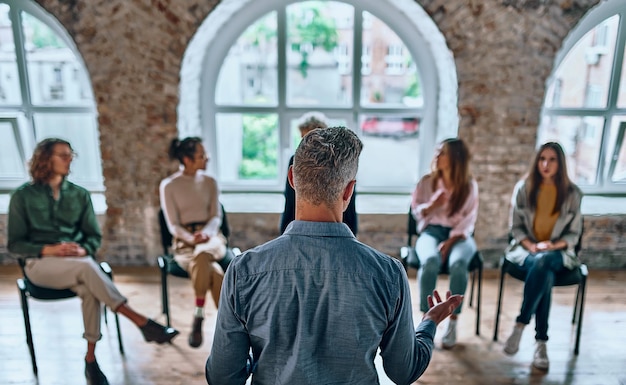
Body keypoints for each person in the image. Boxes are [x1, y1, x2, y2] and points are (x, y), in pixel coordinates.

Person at [206, 126, 463, 384]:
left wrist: (255, 361)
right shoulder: (389, 274)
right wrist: (429, 322)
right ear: (349, 191)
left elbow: (222, 377)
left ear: (293, 179)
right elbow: (404, 371)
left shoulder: (244, 271)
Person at [7, 138, 179, 385]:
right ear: (45, 159)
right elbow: (15, 245)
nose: (69, 159)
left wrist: (81, 249)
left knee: (90, 288)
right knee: (89, 269)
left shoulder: (79, 195)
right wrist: (51, 249)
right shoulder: (22, 197)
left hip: (79, 264)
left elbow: (93, 238)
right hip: (40, 264)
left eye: (70, 154)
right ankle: (139, 320)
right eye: (62, 155)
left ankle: (91, 360)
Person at [502, 142, 583, 371]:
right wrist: (531, 245)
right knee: (542, 272)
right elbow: (516, 228)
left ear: (561, 163)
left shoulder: (573, 193)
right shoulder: (524, 188)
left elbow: (574, 234)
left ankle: (520, 324)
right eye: (542, 159)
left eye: (552, 160)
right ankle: (541, 343)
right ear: (537, 162)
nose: (546, 164)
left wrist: (552, 245)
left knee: (544, 263)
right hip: (528, 251)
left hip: (558, 252)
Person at [409, 138, 478, 349]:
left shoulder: (468, 185)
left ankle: (453, 323)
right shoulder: (426, 182)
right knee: (430, 261)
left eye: (443, 153)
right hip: (431, 232)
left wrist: (449, 242)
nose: (437, 156)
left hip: (459, 236)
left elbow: (469, 220)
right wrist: (432, 205)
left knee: (458, 265)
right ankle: (427, 321)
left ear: (456, 158)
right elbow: (416, 211)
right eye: (437, 152)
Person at [160, 137, 227, 348]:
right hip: (184, 242)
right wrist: (191, 238)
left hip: (212, 238)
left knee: (203, 254)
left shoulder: (210, 182)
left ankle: (198, 314)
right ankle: (229, 326)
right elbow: (172, 224)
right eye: (201, 155)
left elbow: (216, 216)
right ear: (187, 159)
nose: (206, 158)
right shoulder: (169, 185)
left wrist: (206, 234)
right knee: (214, 272)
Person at [280, 112, 358, 235]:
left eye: (307, 139)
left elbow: (349, 200)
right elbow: (290, 199)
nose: (305, 146)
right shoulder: (295, 160)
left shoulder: (341, 163)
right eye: (302, 139)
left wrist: (351, 232)